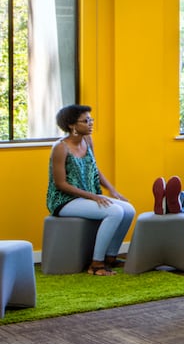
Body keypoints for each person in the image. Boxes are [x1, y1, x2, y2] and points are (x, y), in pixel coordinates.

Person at [45, 105, 136, 275]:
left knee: (129, 210)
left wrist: (112, 190)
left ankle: (111, 257)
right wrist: (93, 196)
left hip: (87, 197)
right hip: (64, 201)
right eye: (86, 120)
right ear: (72, 125)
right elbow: (60, 184)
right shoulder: (60, 148)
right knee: (114, 212)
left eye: (91, 119)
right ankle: (96, 264)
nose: (90, 123)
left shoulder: (87, 140)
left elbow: (94, 169)